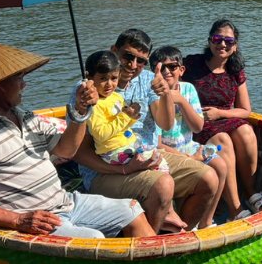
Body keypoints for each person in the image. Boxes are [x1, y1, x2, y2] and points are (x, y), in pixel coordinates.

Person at [0, 40, 154, 238]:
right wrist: (19, 220)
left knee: (132, 210)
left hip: (65, 203)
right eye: (18, 78)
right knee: (93, 238)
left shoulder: (26, 117)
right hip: (34, 218)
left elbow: (66, 150)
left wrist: (82, 110)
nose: (24, 85)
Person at [71, 29, 218, 233]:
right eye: (128, 56)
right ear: (114, 51)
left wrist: (165, 92)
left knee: (209, 178)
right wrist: (124, 169)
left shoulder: (148, 79)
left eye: (140, 60)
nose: (133, 65)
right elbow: (78, 151)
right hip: (107, 168)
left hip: (148, 155)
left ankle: (174, 234)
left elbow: (165, 124)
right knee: (162, 184)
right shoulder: (88, 90)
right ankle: (149, 241)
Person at [182, 19, 262, 217]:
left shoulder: (235, 71)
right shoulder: (191, 64)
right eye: (217, 38)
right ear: (209, 41)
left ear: (235, 46)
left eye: (228, 41)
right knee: (224, 141)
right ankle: (235, 208)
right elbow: (170, 78)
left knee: (246, 131)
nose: (222, 44)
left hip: (224, 118)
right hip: (199, 124)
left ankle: (251, 192)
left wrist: (220, 113)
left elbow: (245, 110)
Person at [150, 46, 228, 228]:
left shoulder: (188, 89)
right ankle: (187, 223)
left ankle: (206, 221)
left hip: (189, 145)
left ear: (181, 70)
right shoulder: (153, 95)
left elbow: (198, 126)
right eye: (161, 68)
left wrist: (182, 101)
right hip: (168, 152)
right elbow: (158, 143)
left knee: (221, 166)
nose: (167, 72)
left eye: (172, 67)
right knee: (200, 169)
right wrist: (189, 158)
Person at [83, 50, 168, 171]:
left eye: (113, 78)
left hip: (127, 143)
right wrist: (126, 116)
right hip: (112, 151)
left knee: (161, 162)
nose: (109, 84)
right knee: (158, 166)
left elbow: (125, 123)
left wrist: (133, 116)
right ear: (89, 78)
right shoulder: (93, 104)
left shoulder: (116, 97)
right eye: (103, 79)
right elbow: (101, 134)